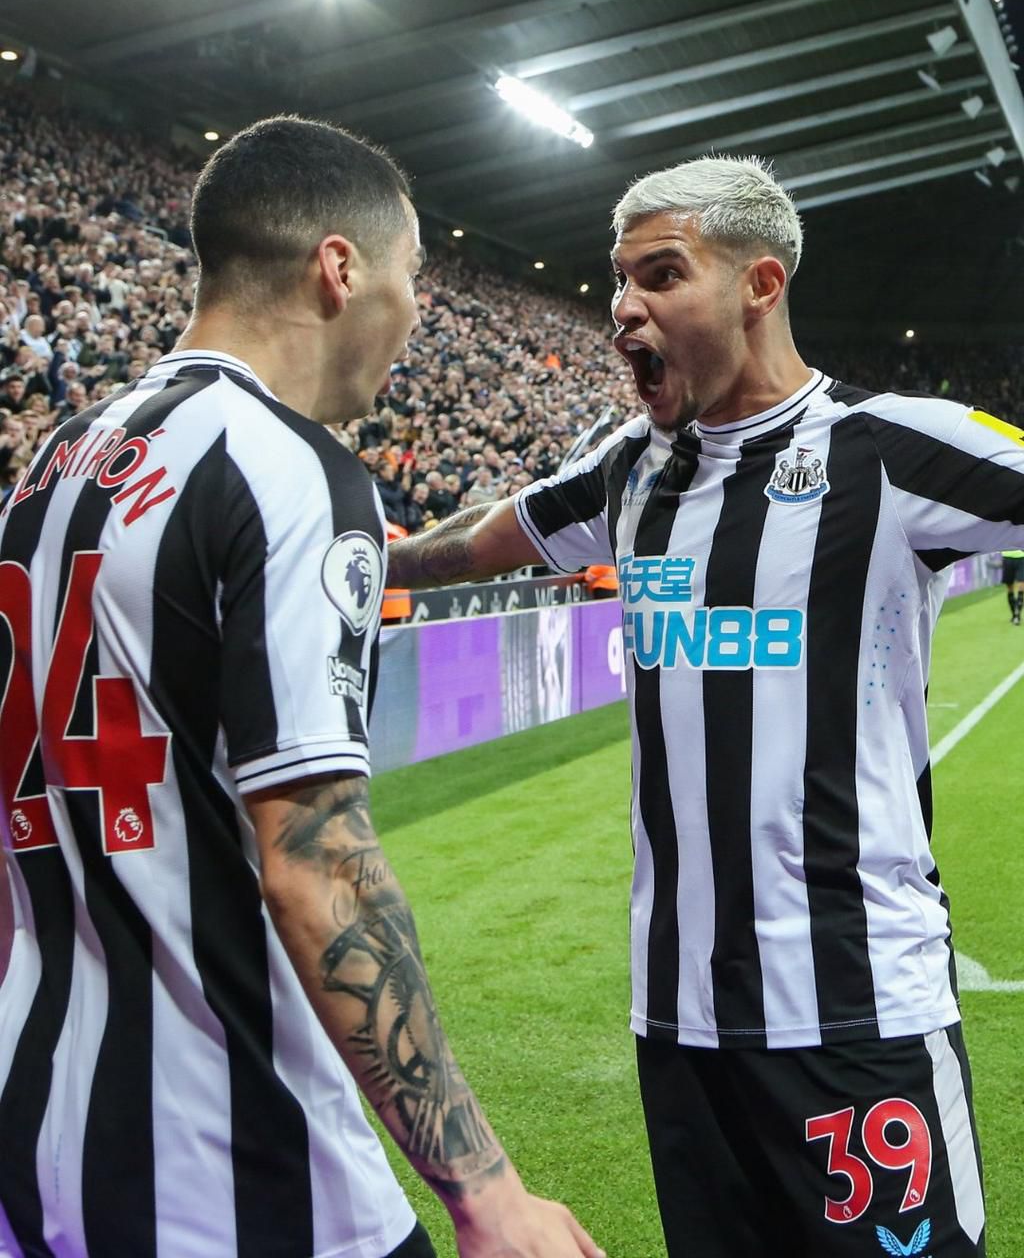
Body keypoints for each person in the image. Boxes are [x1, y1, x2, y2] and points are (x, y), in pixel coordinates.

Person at [388, 155, 1024, 1258]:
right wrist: (341, 556)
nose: (625, 306)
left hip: (855, 1012)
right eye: (617, 280)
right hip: (680, 1023)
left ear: (759, 284)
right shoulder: (627, 468)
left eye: (661, 274)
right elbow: (466, 544)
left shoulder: (893, 448)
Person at [0, 116, 602, 1258]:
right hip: (234, 1164)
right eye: (414, 274)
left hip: (38, 1137)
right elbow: (313, 852)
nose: (418, 311)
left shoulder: (53, 467)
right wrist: (485, 1190)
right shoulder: (286, 468)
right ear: (340, 267)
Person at [1000, 548, 1024, 623]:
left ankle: (1017, 616)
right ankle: (1014, 614)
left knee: (1021, 587)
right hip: (1007, 558)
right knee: (1010, 588)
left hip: (1021, 558)